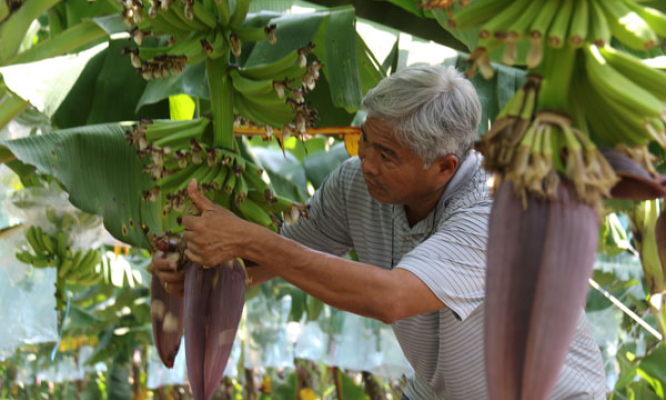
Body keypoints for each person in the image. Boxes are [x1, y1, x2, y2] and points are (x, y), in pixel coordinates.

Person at [153, 65, 607, 399]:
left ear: (443, 167)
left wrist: (247, 239)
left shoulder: (494, 208)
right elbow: (283, 255)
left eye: (387, 154)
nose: (366, 161)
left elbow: (390, 298)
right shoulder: (357, 183)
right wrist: (203, 267)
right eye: (365, 140)